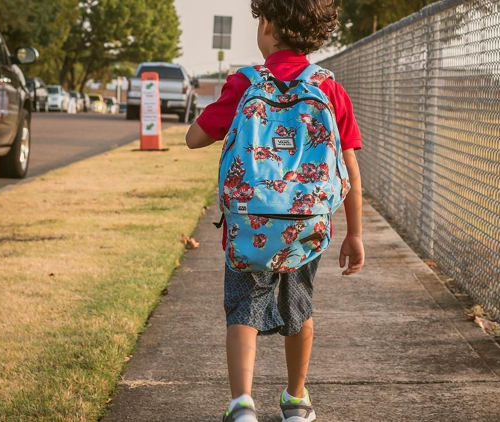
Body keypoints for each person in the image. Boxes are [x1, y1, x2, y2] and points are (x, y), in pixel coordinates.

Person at [186, 0, 364, 420]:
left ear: (266, 24)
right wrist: (355, 233)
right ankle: (296, 399)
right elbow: (349, 167)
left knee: (242, 310)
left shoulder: (245, 82)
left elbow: (194, 138)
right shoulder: (328, 88)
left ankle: (242, 404)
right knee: (300, 308)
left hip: (250, 222)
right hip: (306, 224)